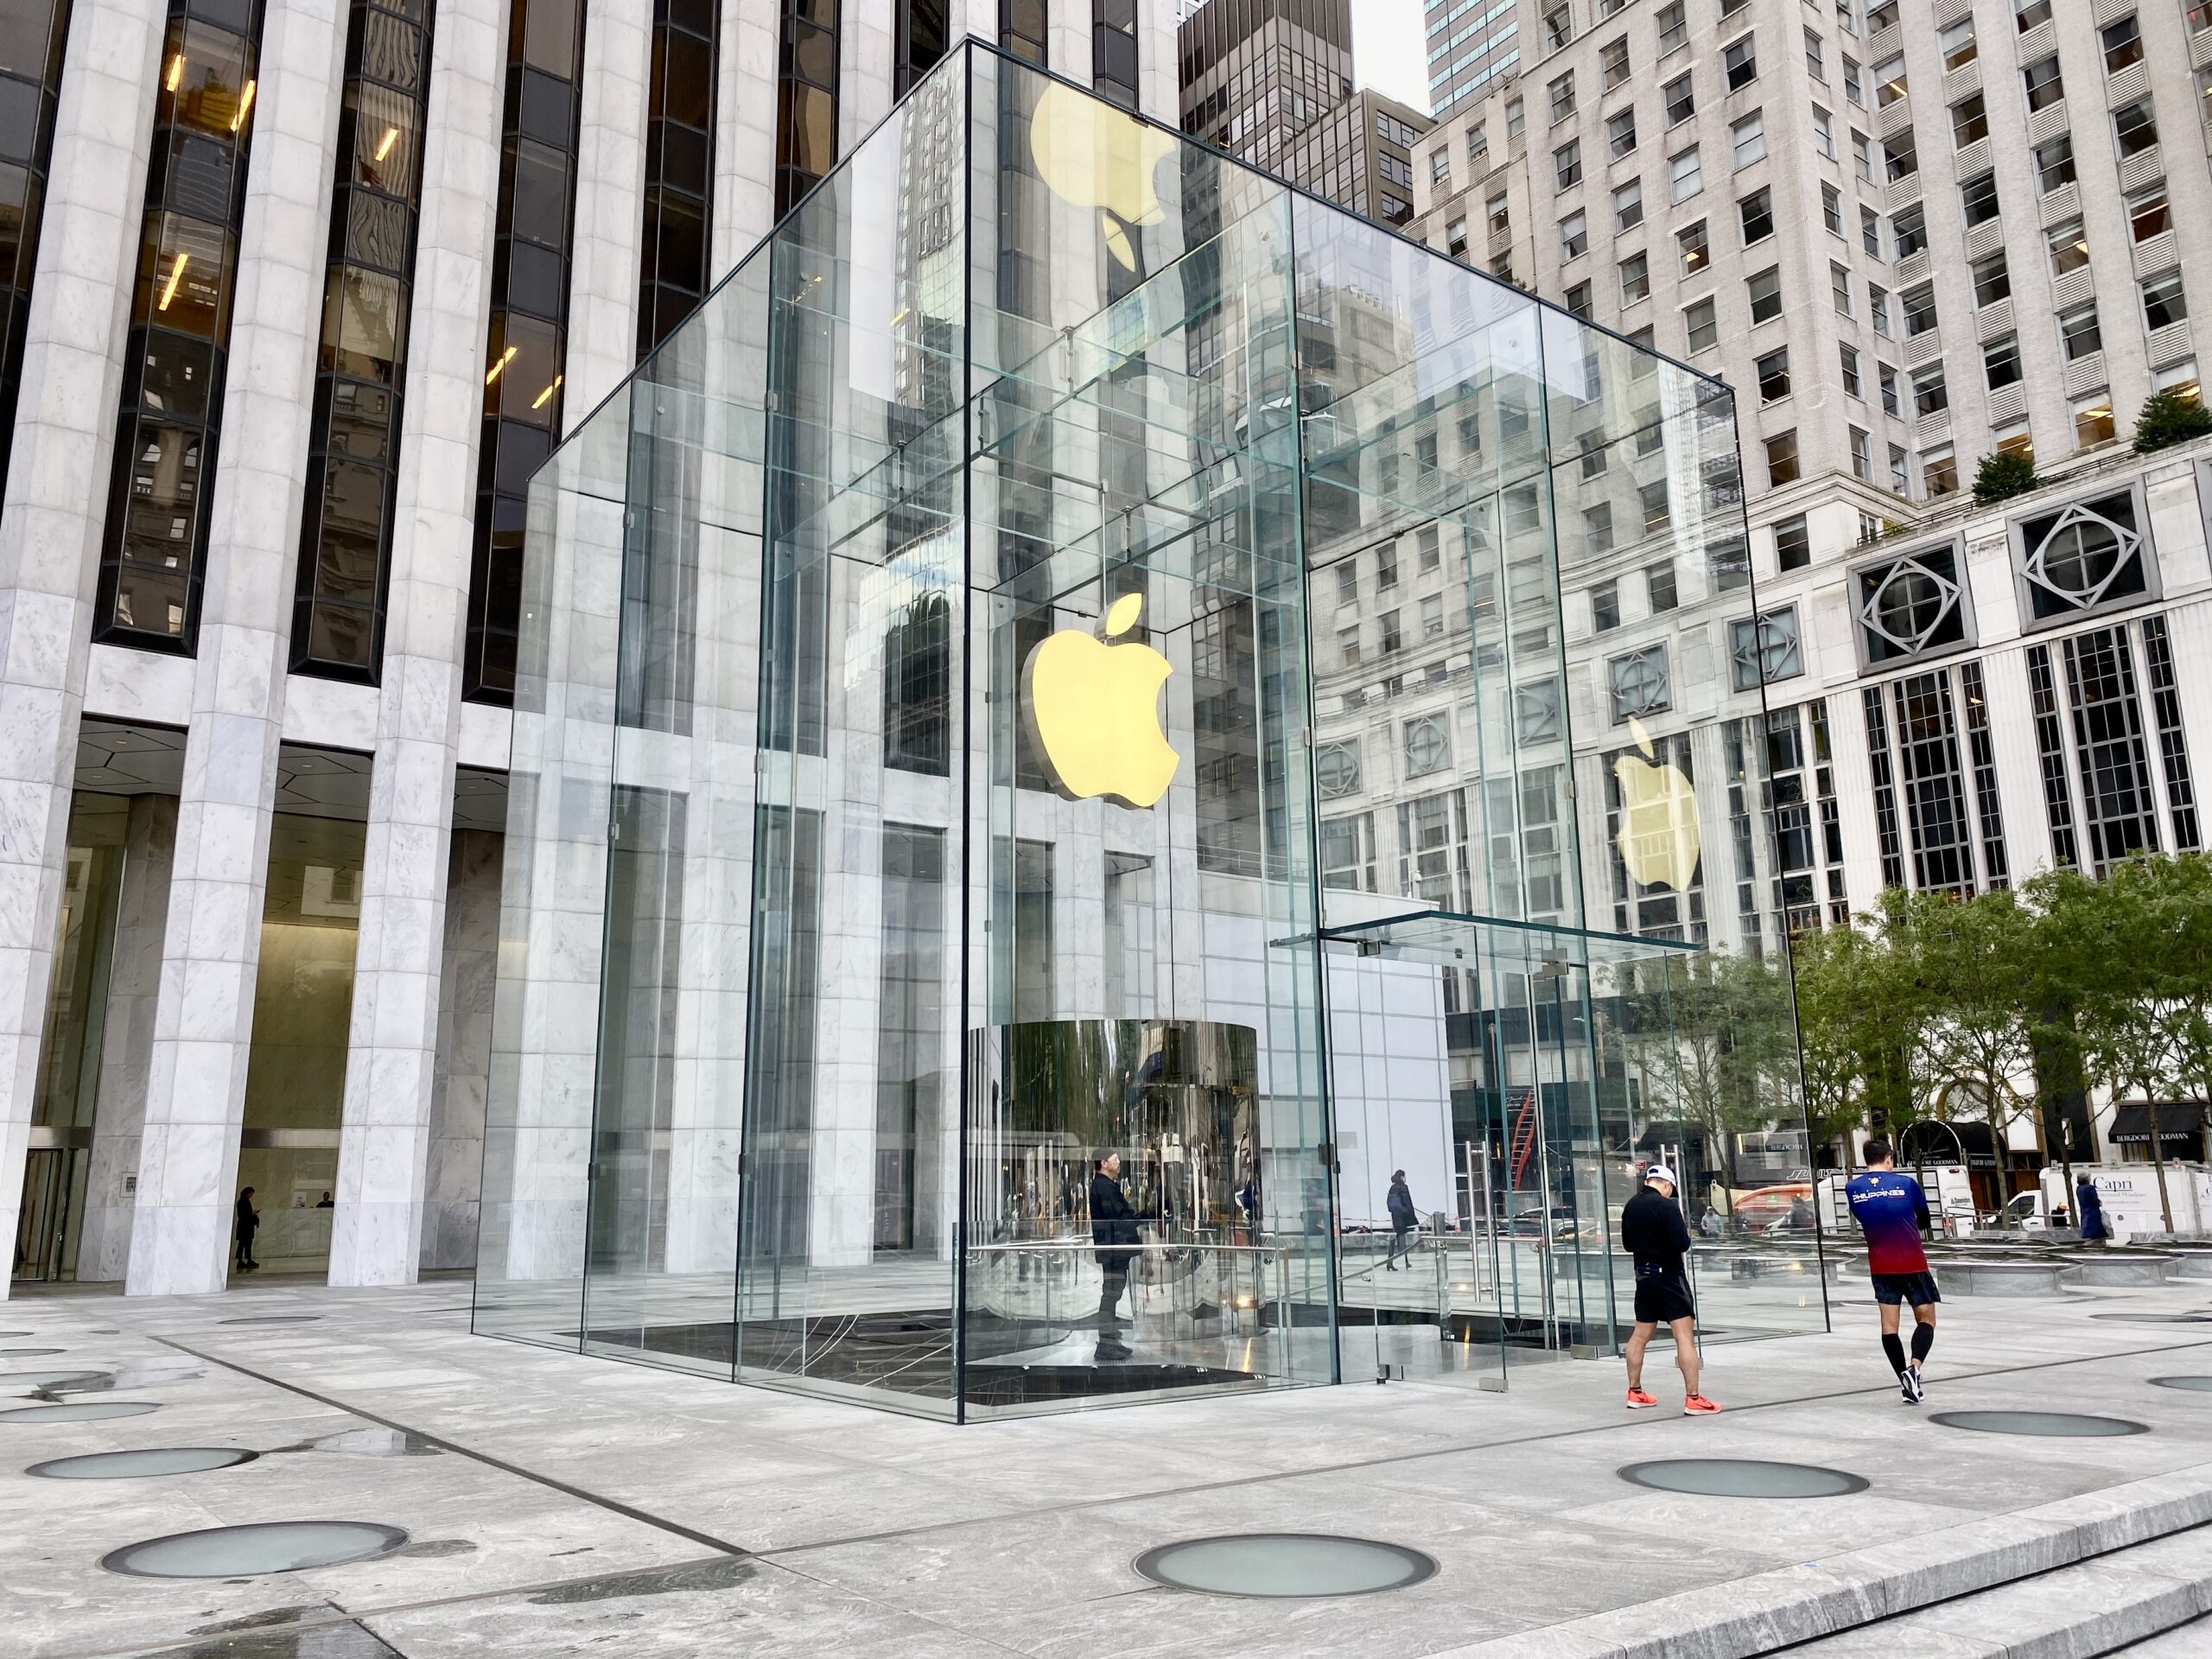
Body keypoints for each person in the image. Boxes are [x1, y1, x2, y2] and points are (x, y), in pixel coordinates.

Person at [1621, 1163, 1720, 1415]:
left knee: (1640, 1335)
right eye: (1671, 1189)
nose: (1670, 1193)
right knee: (1684, 1336)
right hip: (1669, 1277)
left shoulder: (1631, 1206)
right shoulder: (1666, 1206)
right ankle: (1693, 1398)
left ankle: (1635, 1392)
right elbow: (1683, 1243)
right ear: (1666, 1184)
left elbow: (1628, 1244)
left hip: (1643, 1277)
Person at [1847, 1138, 1940, 1404]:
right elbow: (1924, 1218)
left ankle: (1905, 1381)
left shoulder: (1852, 1188)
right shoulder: (1906, 1183)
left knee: (1889, 1327)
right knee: (1927, 1320)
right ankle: (1914, 1368)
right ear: (1889, 1158)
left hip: (1881, 1265)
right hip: (1912, 1261)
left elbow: (1864, 1216)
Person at [1090, 1151, 1140, 1363]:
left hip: (1114, 1248)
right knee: (1111, 1292)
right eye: (1114, 1158)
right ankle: (1106, 1343)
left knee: (1113, 1291)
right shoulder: (1104, 1187)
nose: (1119, 1162)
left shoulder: (1106, 1185)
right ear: (1103, 1163)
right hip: (1113, 1248)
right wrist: (1142, 1216)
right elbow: (1118, 1218)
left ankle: (1109, 1338)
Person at [1385, 1170, 1417, 1270]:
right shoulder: (1403, 1187)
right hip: (1403, 1217)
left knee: (1396, 1238)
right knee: (1402, 1239)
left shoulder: (1392, 1187)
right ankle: (1401, 1262)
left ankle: (1392, 1262)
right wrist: (1412, 1215)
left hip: (1395, 1216)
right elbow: (1407, 1202)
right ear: (1402, 1177)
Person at [2076, 1174, 2110, 1245]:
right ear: (2087, 1178)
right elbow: (2094, 1201)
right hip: (2093, 1215)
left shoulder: (2079, 1189)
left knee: (2097, 1236)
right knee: (2097, 1236)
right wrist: (2099, 1202)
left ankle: (2101, 1246)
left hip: (2085, 1214)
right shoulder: (2090, 1188)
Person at [233, 1186, 260, 1271]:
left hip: (244, 1226)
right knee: (244, 1244)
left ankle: (245, 1260)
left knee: (245, 1243)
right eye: (251, 1194)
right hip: (245, 1226)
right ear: (247, 1193)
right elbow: (244, 1215)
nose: (251, 1195)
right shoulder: (244, 1202)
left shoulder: (243, 1201)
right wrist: (253, 1213)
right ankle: (243, 1260)